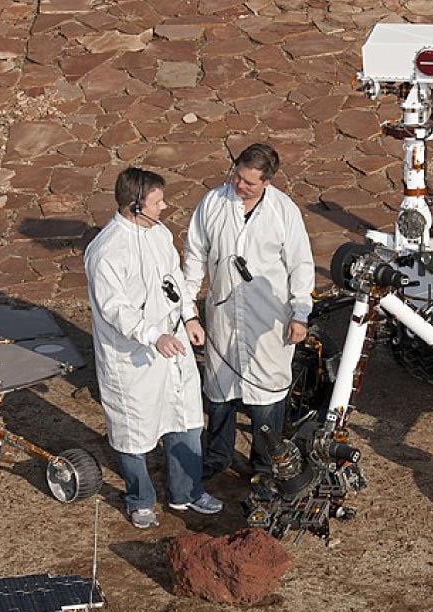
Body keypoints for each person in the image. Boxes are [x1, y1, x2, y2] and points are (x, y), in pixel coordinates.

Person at [85, 167, 224, 528]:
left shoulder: (160, 234)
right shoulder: (106, 252)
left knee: (186, 418)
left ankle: (187, 492)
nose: (165, 206)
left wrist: (189, 318)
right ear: (134, 205)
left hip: (172, 347)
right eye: (157, 201)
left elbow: (173, 283)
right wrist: (152, 336)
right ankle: (140, 498)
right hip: (133, 359)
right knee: (134, 430)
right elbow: (115, 309)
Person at [183, 143, 315, 481]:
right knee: (219, 390)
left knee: (266, 395)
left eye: (250, 183)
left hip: (268, 321)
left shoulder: (284, 212)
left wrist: (300, 313)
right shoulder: (212, 204)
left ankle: (264, 462)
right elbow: (195, 256)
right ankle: (218, 457)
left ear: (267, 182)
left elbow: (300, 264)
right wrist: (189, 310)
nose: (240, 186)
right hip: (223, 316)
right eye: (238, 177)